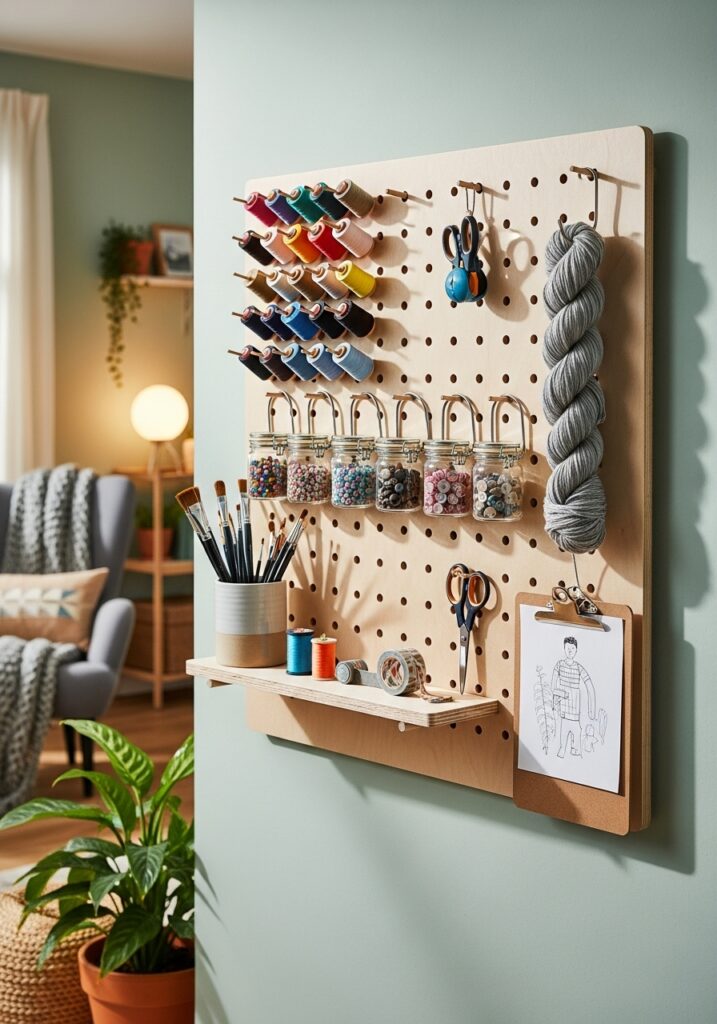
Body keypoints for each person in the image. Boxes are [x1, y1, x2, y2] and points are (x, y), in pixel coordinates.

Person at [551, 636, 596, 758]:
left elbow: (589, 686)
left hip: (575, 706)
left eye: (572, 648)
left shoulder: (578, 667)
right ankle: (562, 749)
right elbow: (553, 687)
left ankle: (575, 749)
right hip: (564, 706)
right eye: (568, 648)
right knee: (565, 728)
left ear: (576, 650)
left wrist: (592, 709)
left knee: (576, 729)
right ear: (564, 649)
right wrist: (560, 695)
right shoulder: (559, 665)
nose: (570, 650)